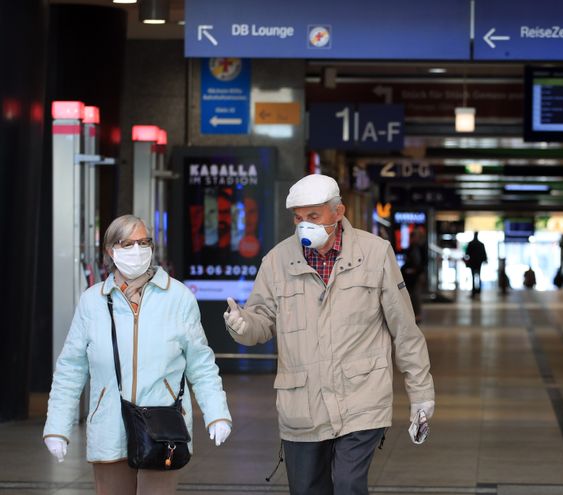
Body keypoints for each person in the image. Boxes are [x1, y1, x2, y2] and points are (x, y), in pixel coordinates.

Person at [223, 174, 435, 495]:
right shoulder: (277, 261)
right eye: (298, 218)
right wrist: (242, 325)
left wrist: (421, 395)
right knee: (307, 488)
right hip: (302, 404)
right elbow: (260, 322)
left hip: (361, 398)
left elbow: (404, 330)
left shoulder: (375, 254)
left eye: (313, 216)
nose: (304, 225)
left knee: (349, 484)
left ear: (338, 212)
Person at [43, 214, 232, 495]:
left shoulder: (178, 298)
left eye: (144, 243)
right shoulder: (92, 302)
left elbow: (201, 364)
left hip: (163, 427)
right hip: (109, 426)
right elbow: (71, 368)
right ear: (111, 250)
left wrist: (217, 413)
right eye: (127, 243)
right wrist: (57, 427)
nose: (137, 250)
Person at [401, 228, 427, 324]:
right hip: (414, 274)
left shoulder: (416, 247)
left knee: (415, 295)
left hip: (414, 275)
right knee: (414, 294)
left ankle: (416, 314)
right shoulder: (417, 247)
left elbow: (416, 262)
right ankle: (415, 314)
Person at [464, 232, 487, 298]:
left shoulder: (471, 244)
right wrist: (484, 260)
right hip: (478, 262)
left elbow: (467, 254)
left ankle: (474, 292)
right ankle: (478, 291)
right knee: (479, 276)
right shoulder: (480, 244)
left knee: (473, 277)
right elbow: (484, 254)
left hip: (472, 262)